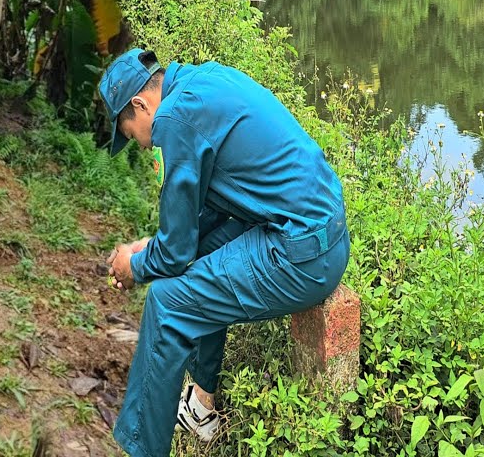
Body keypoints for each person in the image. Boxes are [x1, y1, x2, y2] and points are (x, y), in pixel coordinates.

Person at [99, 48, 351, 457]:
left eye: (131, 134)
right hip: (325, 233)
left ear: (141, 104)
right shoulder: (205, 81)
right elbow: (194, 225)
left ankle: (139, 448)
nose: (142, 146)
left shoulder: (175, 120)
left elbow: (176, 252)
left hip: (300, 254)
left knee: (167, 302)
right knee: (193, 265)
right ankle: (200, 407)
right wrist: (153, 250)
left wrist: (136, 265)